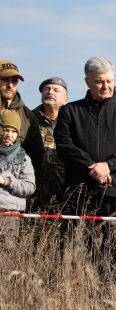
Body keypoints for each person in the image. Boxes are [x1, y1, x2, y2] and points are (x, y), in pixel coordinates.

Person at [54, 56, 116, 272]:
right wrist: (92, 166)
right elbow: (64, 145)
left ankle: (110, 297)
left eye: (110, 81)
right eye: (99, 81)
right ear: (87, 82)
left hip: (115, 193)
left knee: (115, 250)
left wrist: (108, 166)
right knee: (81, 249)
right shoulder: (70, 112)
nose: (106, 86)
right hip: (81, 191)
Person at [0, 59, 44, 174]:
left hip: (10, 186)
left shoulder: (28, 116)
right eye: (5, 79)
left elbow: (36, 155)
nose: (10, 85)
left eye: (14, 81)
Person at [31, 76, 68, 212]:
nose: (50, 92)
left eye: (56, 90)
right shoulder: (29, 119)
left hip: (64, 189)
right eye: (46, 89)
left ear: (66, 99)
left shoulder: (74, 122)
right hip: (34, 190)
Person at [0, 110, 36, 238]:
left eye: (14, 131)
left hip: (9, 214)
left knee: (7, 253)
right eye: (6, 129)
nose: (9, 135)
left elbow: (29, 187)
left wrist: (7, 181)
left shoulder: (23, 157)